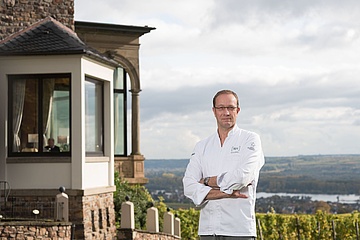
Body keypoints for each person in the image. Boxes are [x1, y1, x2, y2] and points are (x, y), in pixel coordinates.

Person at [183, 90, 265, 240]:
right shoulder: (202, 146)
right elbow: (188, 186)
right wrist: (227, 192)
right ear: (214, 111)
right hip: (207, 231)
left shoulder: (250, 140)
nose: (226, 112)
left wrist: (207, 182)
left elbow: (241, 178)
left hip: (239, 231)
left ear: (238, 110)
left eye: (231, 108)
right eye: (221, 108)